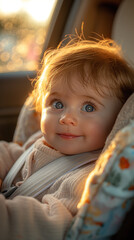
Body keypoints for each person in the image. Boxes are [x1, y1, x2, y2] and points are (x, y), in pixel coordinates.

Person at [0, 37, 134, 240]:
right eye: (57, 103)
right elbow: (12, 154)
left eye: (89, 107)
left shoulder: (85, 178)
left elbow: (50, 224)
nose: (66, 118)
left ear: (116, 119)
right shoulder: (41, 140)